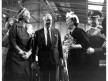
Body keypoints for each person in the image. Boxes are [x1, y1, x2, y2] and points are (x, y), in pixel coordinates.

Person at [4, 7, 32, 81]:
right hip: (14, 59)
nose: (30, 16)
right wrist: (22, 52)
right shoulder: (14, 27)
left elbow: (32, 45)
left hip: (25, 60)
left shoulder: (28, 30)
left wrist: (28, 53)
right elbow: (12, 42)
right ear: (22, 16)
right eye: (28, 14)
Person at [32, 13, 63, 81]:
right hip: (43, 61)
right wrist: (33, 61)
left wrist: (61, 58)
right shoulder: (37, 33)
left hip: (54, 60)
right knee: (43, 79)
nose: (50, 22)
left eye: (51, 20)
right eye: (48, 20)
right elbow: (34, 48)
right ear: (43, 21)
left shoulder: (56, 32)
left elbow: (60, 45)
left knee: (54, 79)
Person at [64, 11, 90, 81]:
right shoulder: (69, 34)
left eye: (67, 21)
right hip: (71, 62)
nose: (66, 22)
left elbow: (87, 43)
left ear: (73, 21)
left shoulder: (80, 31)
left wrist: (74, 46)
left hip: (79, 63)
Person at [86, 10, 106, 81]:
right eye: (90, 19)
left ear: (99, 19)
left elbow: (105, 47)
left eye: (94, 19)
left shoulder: (103, 32)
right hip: (87, 63)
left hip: (99, 63)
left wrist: (94, 50)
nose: (92, 21)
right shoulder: (86, 32)